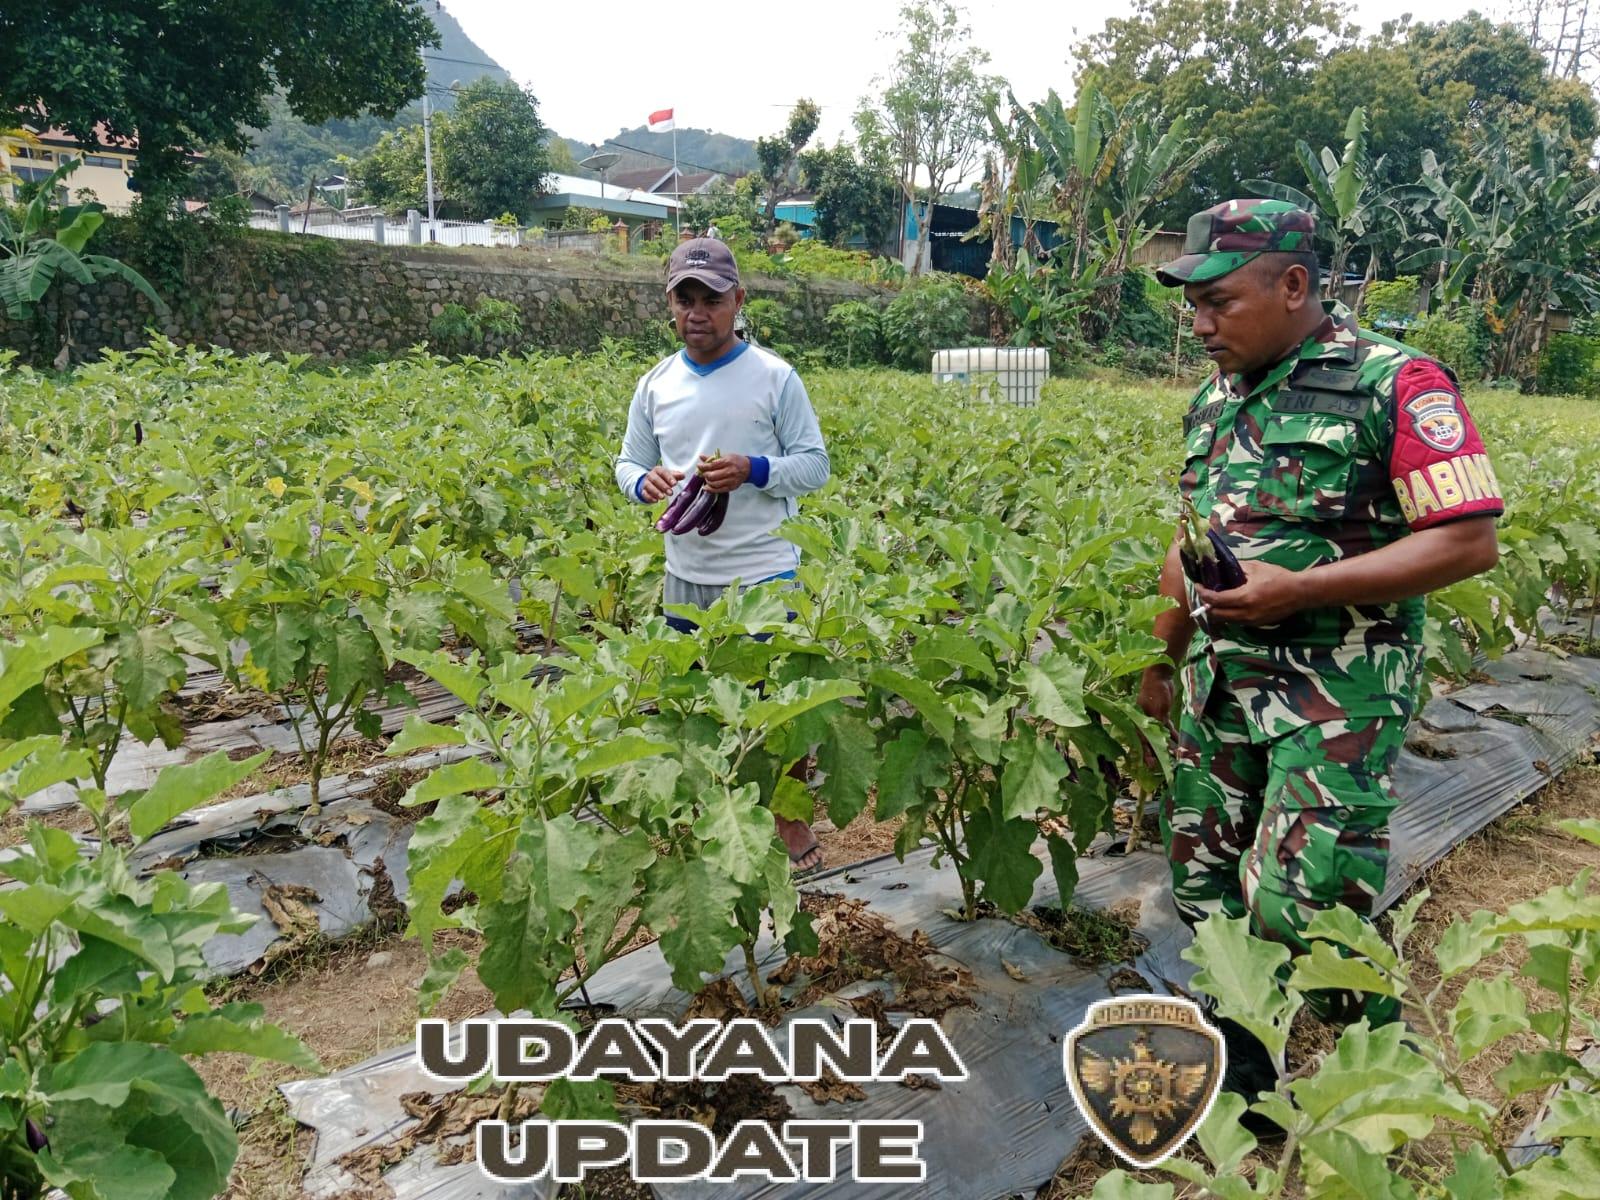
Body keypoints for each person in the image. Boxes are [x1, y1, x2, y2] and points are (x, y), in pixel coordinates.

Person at [1140, 199, 1504, 1084]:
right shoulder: (1216, 394)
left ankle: (1384, 1066)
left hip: (1336, 692)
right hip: (1222, 688)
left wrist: (1298, 591)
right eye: (1193, 305)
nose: (1200, 324)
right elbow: (1194, 533)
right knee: (1203, 884)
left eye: (1219, 301)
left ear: (1294, 284)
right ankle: (1249, 1068)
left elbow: (1467, 540)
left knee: (1306, 898)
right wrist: (1162, 652)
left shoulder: (1399, 382)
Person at [616, 237, 832, 876]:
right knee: (691, 703)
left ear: (738, 300)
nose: (697, 312)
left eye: (711, 298)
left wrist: (754, 469)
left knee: (779, 704)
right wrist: (641, 481)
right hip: (685, 574)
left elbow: (815, 465)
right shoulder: (656, 384)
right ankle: (714, 817)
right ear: (670, 305)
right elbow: (627, 459)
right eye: (685, 298)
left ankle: (789, 817)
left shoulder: (773, 377)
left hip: (763, 573)